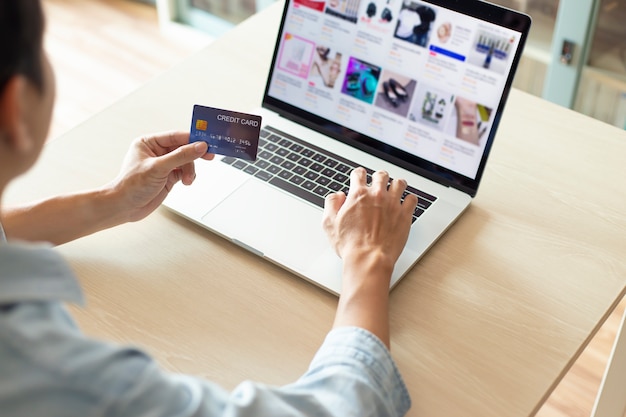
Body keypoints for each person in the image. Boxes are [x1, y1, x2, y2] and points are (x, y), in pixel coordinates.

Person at [0, 1, 417, 416]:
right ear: (15, 108)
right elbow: (344, 408)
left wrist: (113, 201)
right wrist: (368, 257)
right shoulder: (43, 367)